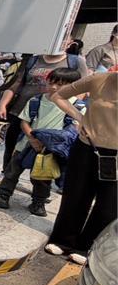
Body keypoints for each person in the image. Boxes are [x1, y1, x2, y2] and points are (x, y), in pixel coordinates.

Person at [43, 71, 117, 264]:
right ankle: (63, 240)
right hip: (86, 146)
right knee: (75, 195)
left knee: (109, 205)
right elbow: (58, 95)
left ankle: (88, 248)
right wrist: (79, 117)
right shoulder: (100, 79)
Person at [0, 67, 82, 216]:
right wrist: (32, 138)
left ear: (73, 86)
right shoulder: (36, 100)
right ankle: (3, 195)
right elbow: (24, 122)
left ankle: (38, 202)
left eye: (60, 84)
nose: (54, 87)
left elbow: (75, 129)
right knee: (13, 171)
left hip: (51, 150)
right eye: (51, 82)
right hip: (26, 144)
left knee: (42, 177)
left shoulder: (77, 106)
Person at [0, 46, 87, 180]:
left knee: (48, 156)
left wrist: (70, 107)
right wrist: (2, 105)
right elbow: (16, 83)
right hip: (25, 109)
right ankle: (5, 181)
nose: (54, 86)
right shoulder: (32, 60)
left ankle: (41, 191)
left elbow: (82, 86)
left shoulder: (75, 61)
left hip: (56, 114)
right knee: (14, 148)